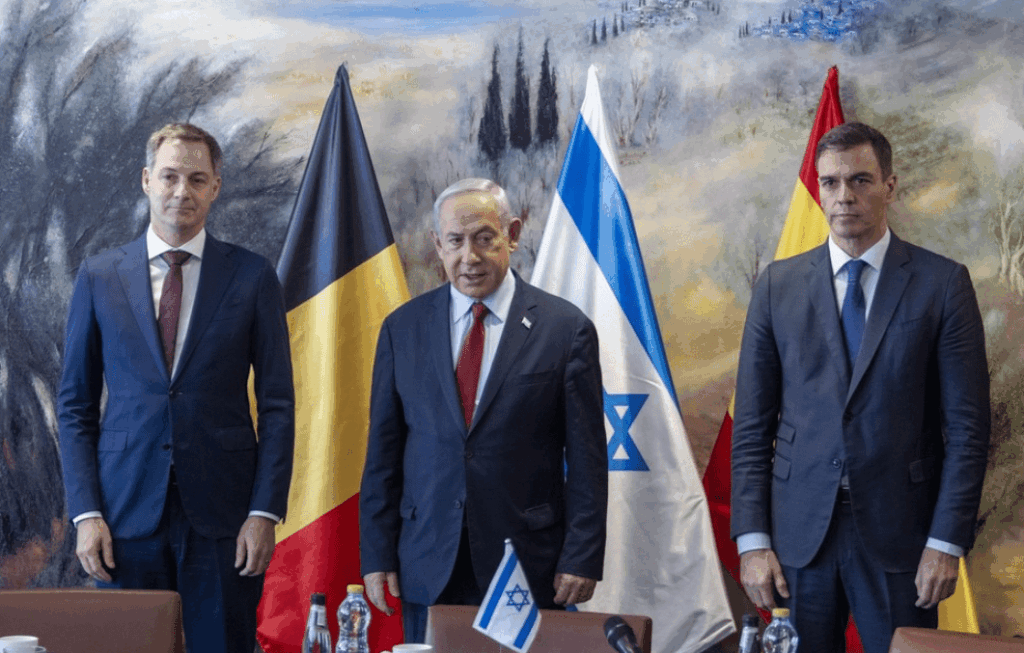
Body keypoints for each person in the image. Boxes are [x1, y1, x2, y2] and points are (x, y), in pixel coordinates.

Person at [731, 122, 990, 653]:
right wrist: (752, 542)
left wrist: (946, 542)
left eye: (860, 180)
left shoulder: (943, 284)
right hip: (799, 538)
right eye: (830, 182)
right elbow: (753, 429)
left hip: (903, 538)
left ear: (889, 186)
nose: (843, 195)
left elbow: (968, 431)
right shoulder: (776, 287)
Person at [58, 123, 295, 653]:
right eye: (169, 176)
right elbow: (74, 406)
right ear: (147, 180)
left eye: (197, 179)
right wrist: (86, 513)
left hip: (225, 517)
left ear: (215, 187)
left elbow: (278, 405)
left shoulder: (252, 276)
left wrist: (264, 512)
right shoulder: (99, 276)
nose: (181, 191)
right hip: (122, 514)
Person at [359, 178, 608, 643]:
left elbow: (588, 459)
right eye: (455, 241)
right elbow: (383, 456)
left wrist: (582, 555)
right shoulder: (402, 329)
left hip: (527, 563)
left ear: (512, 235)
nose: (469, 257)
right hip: (428, 559)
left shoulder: (565, 329)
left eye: (484, 238)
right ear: (438, 245)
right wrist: (376, 554)